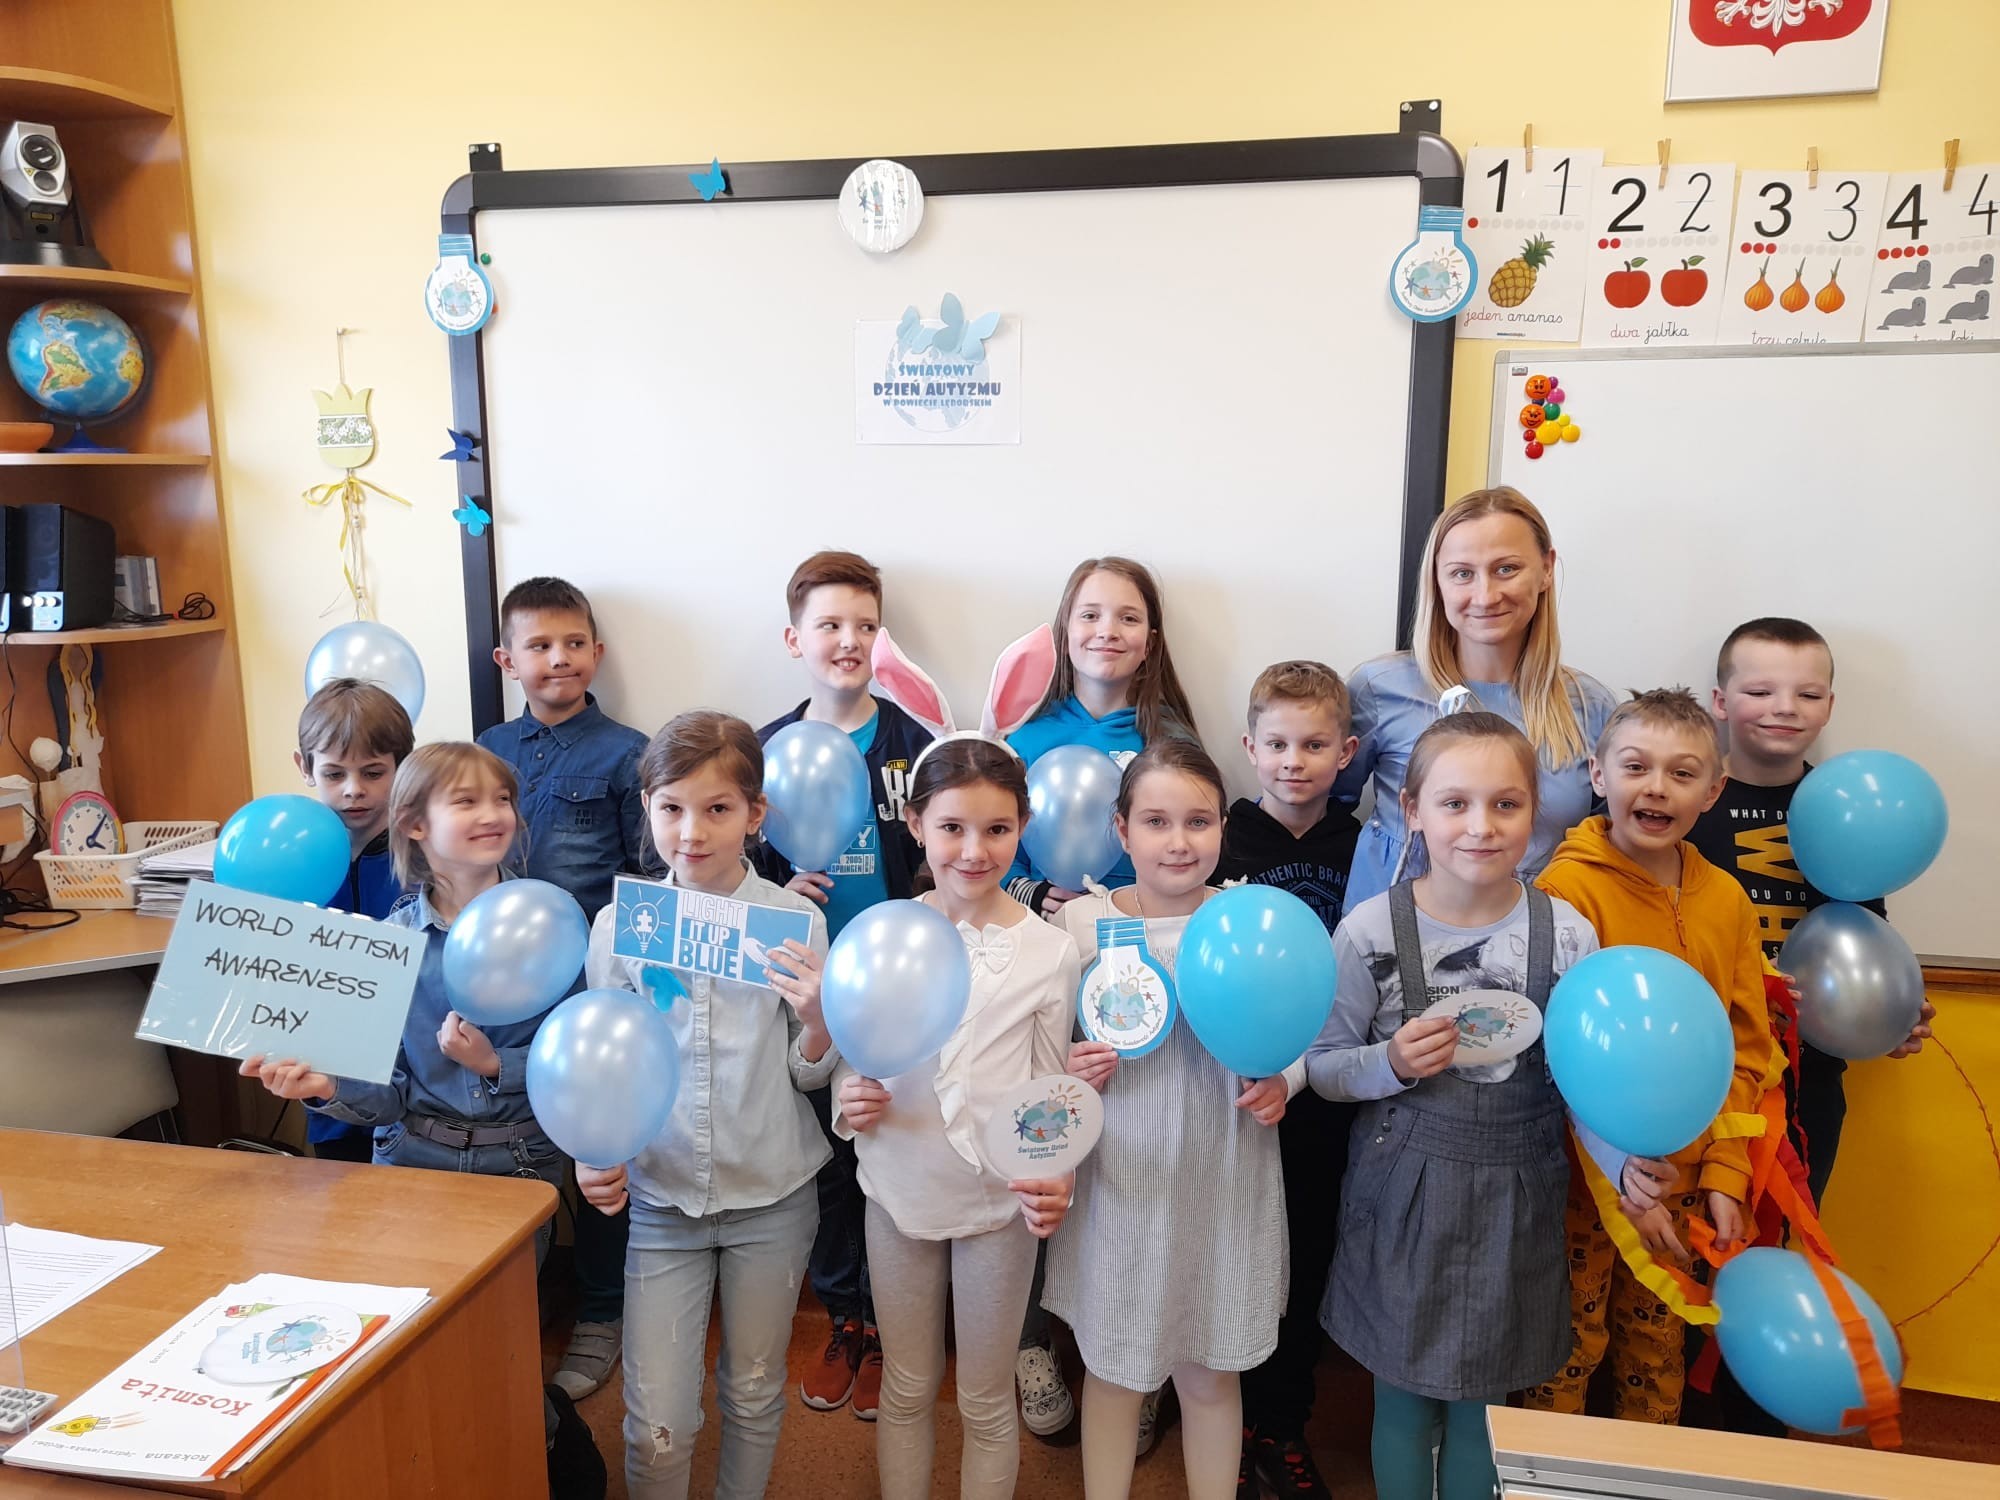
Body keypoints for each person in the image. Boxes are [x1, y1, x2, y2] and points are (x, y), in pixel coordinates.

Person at [1308, 713, 1597, 1500]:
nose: (1480, 826)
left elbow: (1588, 1087)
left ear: (1535, 811)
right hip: (1403, 1198)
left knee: (1484, 1406)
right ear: (1412, 811)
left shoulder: (1568, 936)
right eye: (1454, 803)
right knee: (1402, 1399)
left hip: (1517, 1198)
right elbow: (1324, 1068)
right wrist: (1391, 1063)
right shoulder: (1370, 931)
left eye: (1506, 804)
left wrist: (1627, 1168)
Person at [576, 711, 832, 1500]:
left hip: (773, 1194)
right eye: (672, 808)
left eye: (718, 808)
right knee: (657, 1421)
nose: (692, 832)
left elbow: (807, 1075)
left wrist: (821, 1021)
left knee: (753, 1392)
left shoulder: (796, 922)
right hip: (662, 1198)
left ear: (755, 815)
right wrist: (595, 1149)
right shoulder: (620, 926)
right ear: (647, 808)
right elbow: (603, 1064)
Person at [1048, 739, 1298, 1500]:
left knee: (1212, 1373)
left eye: (1198, 820)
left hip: (1224, 1172)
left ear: (1223, 826)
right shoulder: (1081, 926)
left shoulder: (1251, 921)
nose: (1179, 841)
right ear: (1122, 830)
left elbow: (1304, 1034)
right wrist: (1069, 1068)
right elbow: (1041, 1053)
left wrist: (1285, 1078)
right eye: (1156, 821)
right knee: (1115, 1370)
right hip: (1123, 1180)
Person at [835, 728, 1082, 1497]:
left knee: (985, 1396)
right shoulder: (883, 935)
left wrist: (1057, 1174)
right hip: (898, 1190)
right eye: (951, 827)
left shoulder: (1051, 951)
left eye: (997, 828)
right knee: (908, 1386)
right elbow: (855, 1055)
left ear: (1022, 828)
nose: (974, 850)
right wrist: (849, 1096)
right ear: (915, 824)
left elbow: (1049, 1090)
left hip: (997, 1205)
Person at [1526, 690, 1777, 1425]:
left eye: (1681, 773)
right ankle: (1551, 1473)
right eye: (1636, 766)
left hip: (1688, 1179)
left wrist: (1726, 1173)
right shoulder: (1564, 892)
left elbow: (1747, 1048)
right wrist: (1617, 1172)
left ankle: (1646, 1467)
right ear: (1597, 774)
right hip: (1584, 1186)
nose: (1657, 788)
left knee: (1657, 1349)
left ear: (1713, 791)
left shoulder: (1727, 899)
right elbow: (1552, 1051)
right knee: (1565, 1347)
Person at [1004, 555, 1199, 1443]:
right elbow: (996, 849)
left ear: (1150, 639)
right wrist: (1031, 894)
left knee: (1132, 1161)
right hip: (1049, 965)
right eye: (1089, 614)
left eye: (1126, 617)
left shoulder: (1171, 735)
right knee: (1047, 1139)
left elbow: (1188, 842)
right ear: (1064, 628)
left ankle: (1141, 1354)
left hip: (1144, 980)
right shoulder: (1027, 735)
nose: (1106, 632)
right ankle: (1031, 1340)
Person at [753, 550, 933, 1420]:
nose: (849, 640)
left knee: (889, 1148)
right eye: (829, 624)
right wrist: (775, 887)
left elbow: (946, 861)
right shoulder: (759, 753)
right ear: (796, 639)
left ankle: (892, 1328)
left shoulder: (914, 748)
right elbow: (730, 866)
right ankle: (844, 1322)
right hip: (805, 996)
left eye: (865, 625)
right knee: (828, 1163)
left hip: (897, 992)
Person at [1689, 617, 1934, 1208]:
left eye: (1808, 693)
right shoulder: (1680, 802)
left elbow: (1864, 939)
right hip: (1698, 1070)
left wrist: (1888, 1016)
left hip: (1808, 1084)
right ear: (1720, 702)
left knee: (1784, 1238)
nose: (1785, 707)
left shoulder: (1852, 812)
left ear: (1829, 707)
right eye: (1760, 690)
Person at [477, 574, 649, 1401]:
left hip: (592, 991)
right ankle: (512, 1296)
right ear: (507, 660)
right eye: (539, 645)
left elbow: (649, 877)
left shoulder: (627, 753)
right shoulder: (487, 750)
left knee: (602, 1149)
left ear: (598, 654)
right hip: (501, 991)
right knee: (510, 1142)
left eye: (574, 643)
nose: (559, 658)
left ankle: (604, 1309)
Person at [1216, 661, 1361, 1499]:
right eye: (1276, 744)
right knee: (1231, 1250)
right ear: (1249, 747)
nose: (1293, 762)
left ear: (1346, 752)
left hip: (1326, 1092)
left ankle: (1282, 1424)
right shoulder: (1221, 840)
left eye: (1313, 745)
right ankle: (1221, 1421)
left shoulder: (1368, 847)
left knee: (1304, 1260)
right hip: (1236, 1091)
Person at [1335, 487, 1618, 911]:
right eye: (1462, 573)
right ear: (1437, 580)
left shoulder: (1591, 708)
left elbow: (1613, 843)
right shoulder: (1377, 689)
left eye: (1506, 569)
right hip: (1391, 935)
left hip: (1534, 939)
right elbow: (1321, 808)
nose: (1486, 596)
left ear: (1546, 569)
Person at [291, 676, 415, 1163]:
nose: (354, 790)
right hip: (328, 1080)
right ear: (304, 767)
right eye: (334, 774)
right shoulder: (291, 858)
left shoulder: (428, 858)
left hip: (415, 1088)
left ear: (402, 767)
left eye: (373, 772)